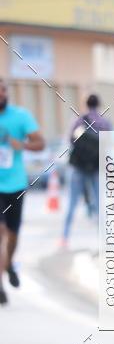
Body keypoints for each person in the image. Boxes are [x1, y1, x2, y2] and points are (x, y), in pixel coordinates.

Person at [0, 78, 45, 305]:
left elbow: (41, 143)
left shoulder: (20, 116)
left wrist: (23, 145)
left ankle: (8, 263)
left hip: (15, 184)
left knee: (12, 235)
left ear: (5, 93)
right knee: (0, 230)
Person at [61, 93, 113, 247]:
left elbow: (70, 140)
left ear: (86, 104)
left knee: (72, 203)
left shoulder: (79, 120)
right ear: (99, 104)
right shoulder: (104, 122)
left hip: (78, 167)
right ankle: (103, 240)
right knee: (99, 203)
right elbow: (108, 144)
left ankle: (64, 237)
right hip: (96, 167)